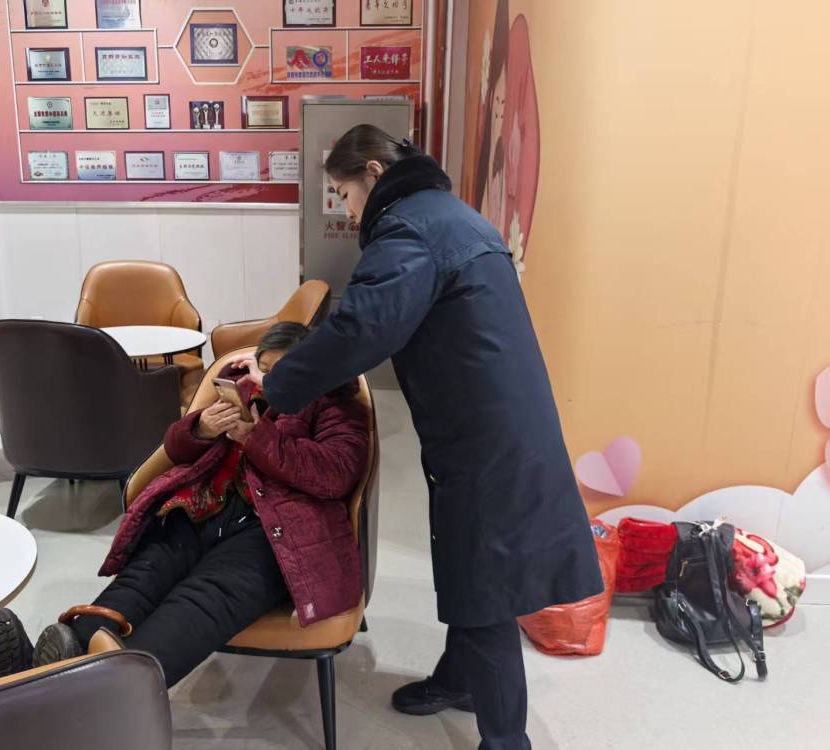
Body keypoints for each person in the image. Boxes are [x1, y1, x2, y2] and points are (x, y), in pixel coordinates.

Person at [231, 125, 603, 750]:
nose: (347, 213)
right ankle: (460, 680)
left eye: (345, 195)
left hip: (485, 437)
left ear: (373, 174)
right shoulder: (451, 217)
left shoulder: (410, 231)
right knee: (469, 563)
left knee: (486, 581)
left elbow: (361, 329)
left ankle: (506, 739)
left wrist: (277, 382)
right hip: (493, 423)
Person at [0, 322, 370, 686]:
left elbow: (335, 473)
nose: (264, 380)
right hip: (200, 509)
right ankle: (44, 676)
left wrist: (256, 438)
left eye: (278, 373)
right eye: (262, 367)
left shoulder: (335, 404)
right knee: (139, 582)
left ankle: (72, 688)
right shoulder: (240, 386)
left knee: (200, 601)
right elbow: (175, 448)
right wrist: (202, 427)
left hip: (274, 534)